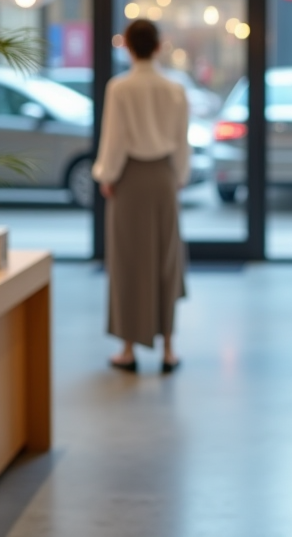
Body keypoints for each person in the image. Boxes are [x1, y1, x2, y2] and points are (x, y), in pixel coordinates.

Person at [93, 19, 190, 374]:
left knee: (129, 261)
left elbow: (114, 139)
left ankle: (129, 348)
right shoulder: (175, 89)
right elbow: (182, 141)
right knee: (166, 258)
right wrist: (178, 177)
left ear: (128, 47)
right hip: (164, 176)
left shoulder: (120, 88)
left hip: (131, 179)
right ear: (159, 46)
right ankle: (168, 348)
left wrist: (107, 176)